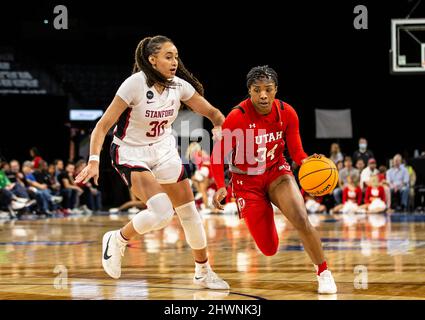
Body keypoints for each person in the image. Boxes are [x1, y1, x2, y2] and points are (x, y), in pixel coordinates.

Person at [75, 35, 228, 289]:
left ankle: (203, 271)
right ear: (152, 59)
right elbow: (102, 126)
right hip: (130, 152)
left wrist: (219, 127)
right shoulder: (134, 85)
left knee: (190, 213)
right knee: (162, 212)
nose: (174, 62)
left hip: (164, 149)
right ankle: (118, 238)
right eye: (168, 57)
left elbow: (213, 113)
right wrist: (92, 161)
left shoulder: (178, 86)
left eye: (176, 57)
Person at [210, 65, 337, 294]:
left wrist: (307, 162)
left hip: (276, 172)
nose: (263, 95)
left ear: (276, 89)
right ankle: (264, 213)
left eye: (268, 89)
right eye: (257, 90)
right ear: (249, 91)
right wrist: (220, 185)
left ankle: (324, 272)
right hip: (246, 182)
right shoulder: (236, 117)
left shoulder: (287, 112)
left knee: (301, 217)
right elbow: (217, 156)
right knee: (269, 249)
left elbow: (297, 152)